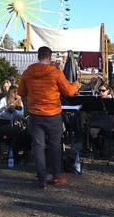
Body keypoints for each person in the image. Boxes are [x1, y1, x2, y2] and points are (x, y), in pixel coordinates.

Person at [18, 46, 80, 189]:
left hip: (35, 115)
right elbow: (69, 91)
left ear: (38, 56)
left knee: (38, 147)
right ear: (50, 57)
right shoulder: (55, 72)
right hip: (52, 114)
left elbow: (21, 91)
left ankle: (41, 179)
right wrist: (76, 84)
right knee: (55, 146)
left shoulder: (28, 72)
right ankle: (56, 176)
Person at [0, 85, 28, 163]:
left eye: (18, 92)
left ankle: (16, 154)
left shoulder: (19, 102)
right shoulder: (4, 100)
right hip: (3, 124)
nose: (16, 94)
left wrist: (14, 110)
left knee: (24, 134)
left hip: (14, 124)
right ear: (11, 92)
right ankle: (13, 155)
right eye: (15, 92)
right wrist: (3, 110)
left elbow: (21, 115)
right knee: (17, 133)